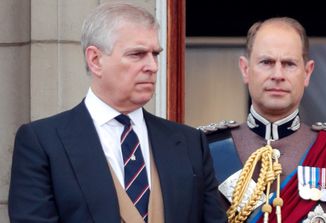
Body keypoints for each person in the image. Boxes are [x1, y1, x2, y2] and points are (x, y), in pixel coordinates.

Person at [8, 2, 226, 223]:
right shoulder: (43, 143)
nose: (152, 66)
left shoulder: (190, 143)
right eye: (137, 54)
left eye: (155, 54)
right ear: (95, 60)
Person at [200, 17, 326, 223]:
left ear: (307, 72)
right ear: (245, 69)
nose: (278, 74)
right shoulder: (204, 149)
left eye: (289, 64)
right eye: (266, 62)